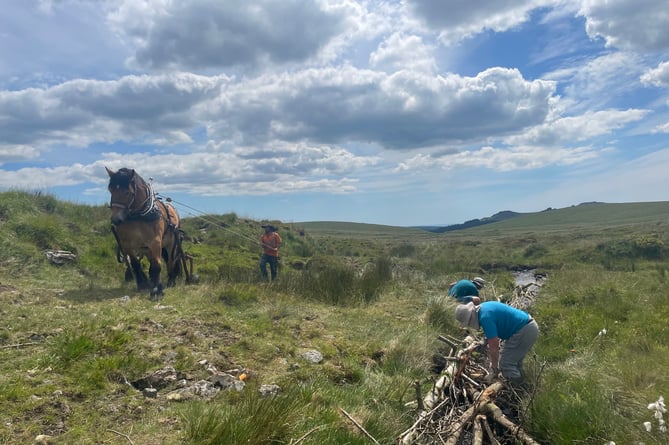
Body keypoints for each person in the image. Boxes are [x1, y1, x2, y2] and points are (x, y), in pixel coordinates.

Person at [455, 301, 538, 384]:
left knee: (506, 364)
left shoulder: (485, 318)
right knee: (515, 362)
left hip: (523, 331)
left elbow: (494, 347)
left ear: (471, 318)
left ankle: (517, 388)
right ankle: (524, 382)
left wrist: (494, 369)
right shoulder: (484, 308)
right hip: (528, 326)